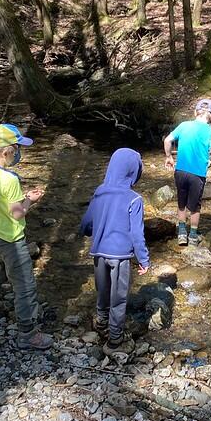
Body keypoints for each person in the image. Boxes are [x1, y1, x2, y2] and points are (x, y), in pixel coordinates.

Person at [0, 123, 54, 350]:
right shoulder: (10, 180)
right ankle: (28, 334)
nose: (19, 153)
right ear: (6, 152)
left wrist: (22, 196)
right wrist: (29, 200)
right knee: (25, 286)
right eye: (18, 148)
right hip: (12, 239)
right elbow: (18, 213)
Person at [80, 148, 150, 355]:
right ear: (134, 173)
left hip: (99, 252)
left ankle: (100, 321)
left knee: (102, 290)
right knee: (118, 297)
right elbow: (137, 235)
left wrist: (90, 232)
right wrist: (144, 260)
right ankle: (115, 338)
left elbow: (86, 223)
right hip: (120, 257)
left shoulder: (100, 191)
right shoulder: (134, 199)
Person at [163, 99, 211, 246]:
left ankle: (182, 232)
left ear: (195, 112)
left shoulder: (184, 126)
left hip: (180, 171)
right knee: (195, 206)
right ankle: (193, 235)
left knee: (181, 202)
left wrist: (169, 157)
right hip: (198, 175)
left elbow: (167, 140)